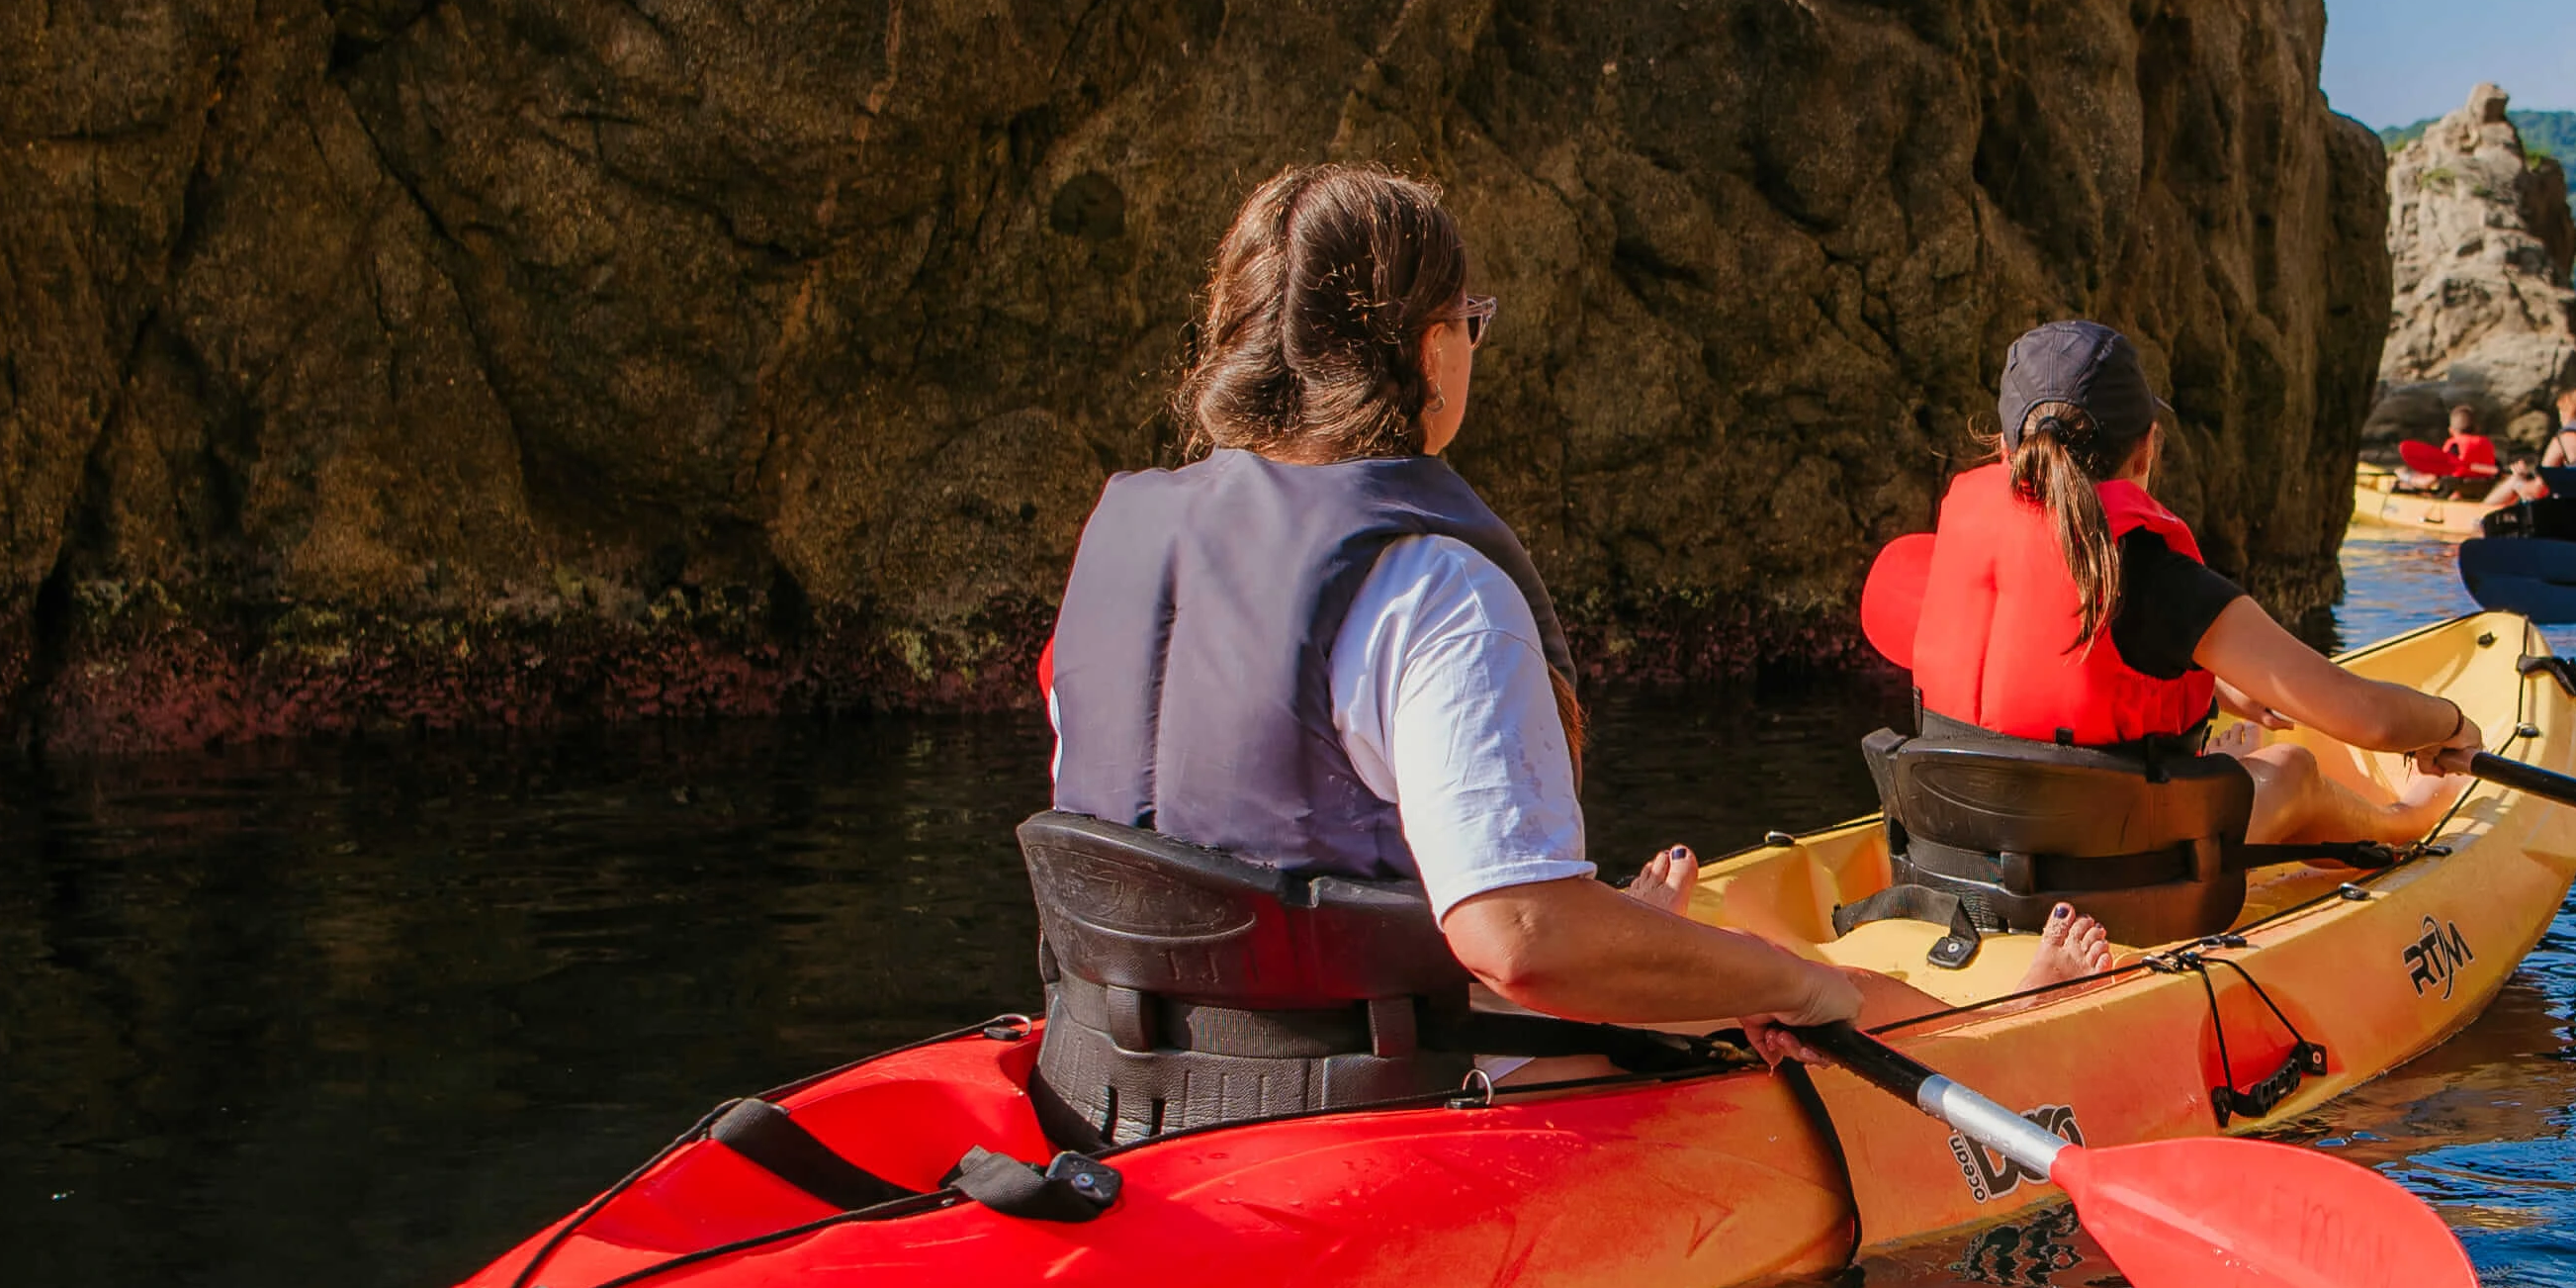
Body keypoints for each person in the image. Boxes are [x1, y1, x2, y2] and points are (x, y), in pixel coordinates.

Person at [1044, 165, 1903, 1072]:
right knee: (1873, 1008)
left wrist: (1614, 933)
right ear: (1428, 350)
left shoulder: (1114, 547)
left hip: (1120, 1077)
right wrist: (1787, 982)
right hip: (1373, 1103)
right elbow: (1518, 940)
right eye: (1470, 322)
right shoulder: (1433, 588)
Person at [1892, 318, 2482, 903]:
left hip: (1957, 870)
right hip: (2116, 888)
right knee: (2292, 769)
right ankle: (2407, 822)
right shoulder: (2156, 576)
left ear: (2003, 448)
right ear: (2147, 446)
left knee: (2235, 757)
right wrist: (2448, 726)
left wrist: (2216, 679)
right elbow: (2370, 718)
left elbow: (2029, 669)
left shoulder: (1959, 550)